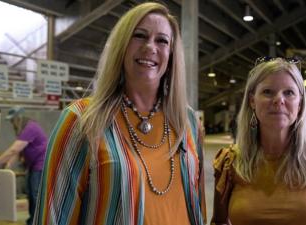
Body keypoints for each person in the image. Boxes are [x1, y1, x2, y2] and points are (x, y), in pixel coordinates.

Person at [33, 3, 205, 225]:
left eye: (162, 40)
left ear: (171, 54)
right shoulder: (81, 120)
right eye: (139, 36)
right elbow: (53, 217)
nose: (150, 47)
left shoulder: (188, 122)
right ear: (121, 47)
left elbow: (198, 204)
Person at [211, 57, 306, 225]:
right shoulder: (230, 163)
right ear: (252, 101)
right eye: (268, 92)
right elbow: (220, 222)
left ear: (299, 104)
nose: (279, 100)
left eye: (289, 92)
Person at [0, 106, 47, 225]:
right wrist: (9, 164)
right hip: (32, 165)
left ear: (18, 118)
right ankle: (32, 221)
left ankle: (39, 221)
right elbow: (19, 152)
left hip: (40, 164)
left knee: (35, 195)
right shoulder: (23, 129)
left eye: (12, 120)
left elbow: (14, 149)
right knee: (30, 194)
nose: (11, 123)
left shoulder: (30, 127)